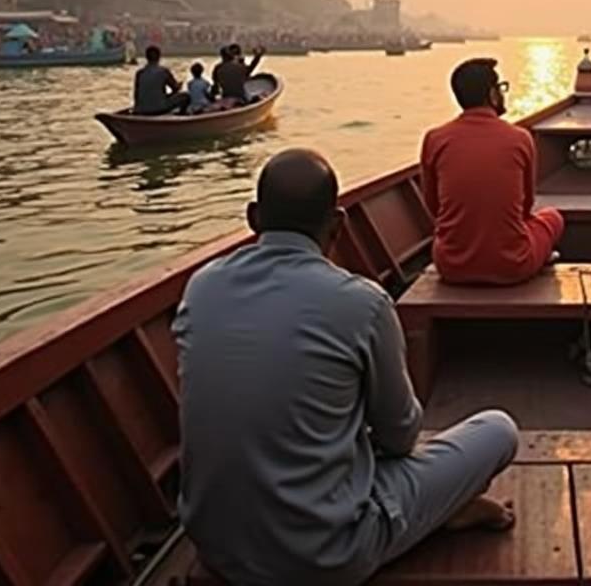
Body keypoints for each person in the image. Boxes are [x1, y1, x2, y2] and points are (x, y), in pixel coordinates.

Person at [173, 148, 518, 586]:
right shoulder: (362, 303)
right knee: (498, 430)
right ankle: (441, 510)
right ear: (337, 225)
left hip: (217, 547)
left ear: (254, 217)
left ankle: (437, 508)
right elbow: (400, 437)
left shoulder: (201, 289)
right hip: (325, 556)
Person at [420, 58, 564, 285]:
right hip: (513, 266)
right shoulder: (520, 138)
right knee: (553, 217)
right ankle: (543, 256)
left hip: (451, 266)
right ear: (492, 94)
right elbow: (526, 207)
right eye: (500, 87)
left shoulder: (434, 139)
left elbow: (433, 206)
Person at [133, 45, 189, 115]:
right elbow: (175, 88)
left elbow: (136, 94)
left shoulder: (140, 73)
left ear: (146, 58)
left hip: (141, 109)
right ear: (159, 57)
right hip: (159, 108)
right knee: (186, 96)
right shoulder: (163, 71)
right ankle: (181, 115)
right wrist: (179, 86)